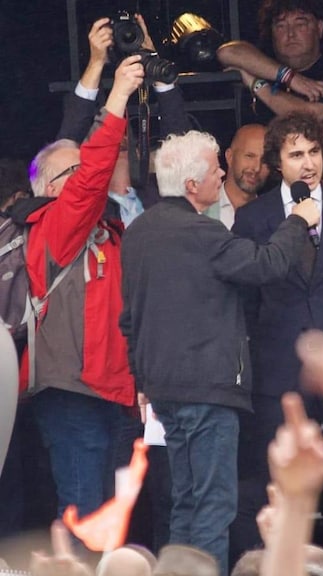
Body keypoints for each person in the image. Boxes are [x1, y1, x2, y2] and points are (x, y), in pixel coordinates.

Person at [119, 129, 320, 574]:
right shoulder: (202, 232)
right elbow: (267, 264)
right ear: (192, 185)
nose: (223, 174)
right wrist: (299, 220)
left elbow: (129, 318)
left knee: (185, 502)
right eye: (215, 169)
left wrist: (143, 380)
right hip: (208, 387)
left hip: (163, 390)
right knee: (212, 505)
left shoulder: (138, 233)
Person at [231, 110, 323, 551]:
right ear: (279, 161)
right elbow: (246, 300)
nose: (308, 163)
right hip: (278, 364)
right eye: (297, 154)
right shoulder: (253, 218)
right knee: (276, 477)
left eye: (314, 152)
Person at [20, 56, 143, 523]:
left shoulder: (112, 233)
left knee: (114, 525)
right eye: (73, 174)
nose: (88, 181)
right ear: (50, 189)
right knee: (83, 520)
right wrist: (117, 95)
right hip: (72, 395)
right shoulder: (51, 226)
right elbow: (94, 175)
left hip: (117, 397)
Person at [58, 16, 191, 224]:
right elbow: (65, 144)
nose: (118, 139)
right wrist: (96, 63)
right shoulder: (83, 205)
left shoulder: (161, 197)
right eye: (107, 135)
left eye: (125, 136)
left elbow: (181, 143)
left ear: (140, 150)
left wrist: (155, 64)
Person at [217, 0, 323, 122]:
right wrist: (289, 77)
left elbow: (307, 114)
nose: (290, 34)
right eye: (281, 26)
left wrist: (257, 84)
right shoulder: (265, 65)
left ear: (319, 28)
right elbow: (227, 52)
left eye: (300, 24)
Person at [206, 124, 270, 229]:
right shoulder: (203, 208)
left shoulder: (273, 213)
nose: (257, 168)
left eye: (265, 160)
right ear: (230, 157)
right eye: (249, 156)